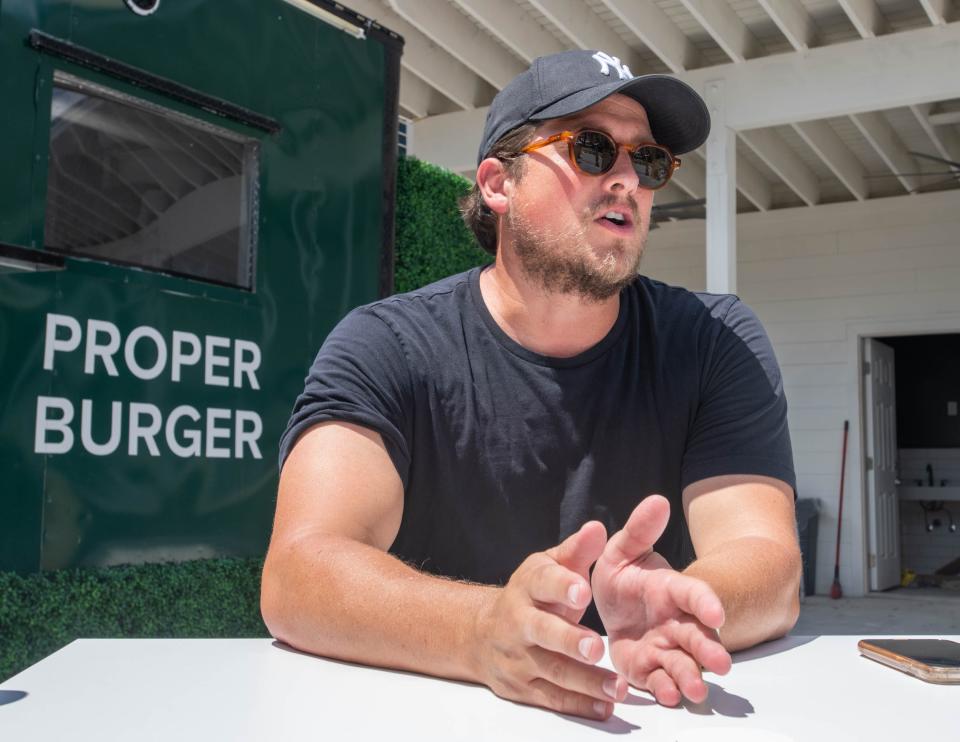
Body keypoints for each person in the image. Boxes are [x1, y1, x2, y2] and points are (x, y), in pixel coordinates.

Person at [261, 49, 801, 721]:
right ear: (498, 183)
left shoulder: (715, 340)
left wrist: (689, 603)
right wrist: (480, 630)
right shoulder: (386, 346)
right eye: (595, 150)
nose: (629, 179)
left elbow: (768, 563)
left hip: (648, 719)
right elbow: (299, 572)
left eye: (650, 161)